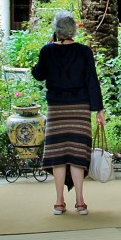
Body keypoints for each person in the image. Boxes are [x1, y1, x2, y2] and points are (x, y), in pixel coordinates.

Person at [31, 11, 106, 215]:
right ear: (73, 30)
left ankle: (58, 202)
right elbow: (92, 81)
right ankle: (80, 202)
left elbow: (38, 75)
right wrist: (99, 109)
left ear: (56, 30)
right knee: (77, 155)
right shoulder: (84, 52)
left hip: (56, 109)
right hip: (79, 109)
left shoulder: (47, 51)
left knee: (58, 154)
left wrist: (45, 51)